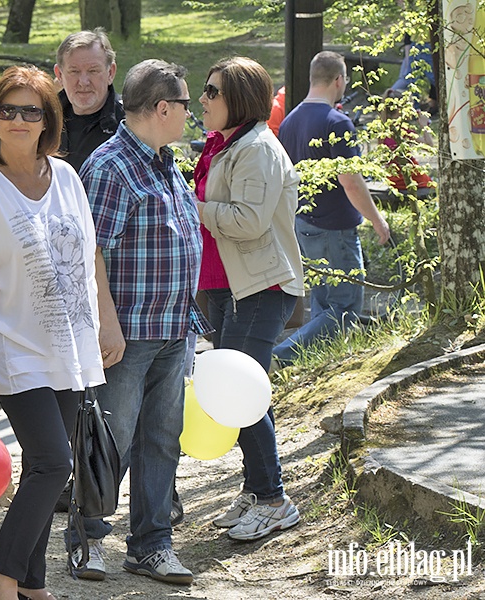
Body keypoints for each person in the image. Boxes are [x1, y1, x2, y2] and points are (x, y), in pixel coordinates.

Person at [0, 65, 104, 600]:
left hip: (68, 344)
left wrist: (100, 327)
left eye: (29, 111)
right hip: (13, 347)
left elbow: (88, 259)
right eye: (7, 110)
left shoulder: (68, 178)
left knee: (48, 468)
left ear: (46, 121)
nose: (17, 120)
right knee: (55, 462)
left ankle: (30, 586)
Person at [74, 59, 208, 585]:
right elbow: (91, 255)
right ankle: (86, 539)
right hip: (127, 335)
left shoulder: (165, 160)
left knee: (161, 440)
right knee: (112, 440)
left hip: (174, 329)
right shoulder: (111, 166)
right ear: (160, 108)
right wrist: (108, 325)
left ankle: (150, 545)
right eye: (184, 105)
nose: (190, 114)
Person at [194, 56, 304, 541]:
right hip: (226, 287)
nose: (202, 99)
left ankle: (275, 499)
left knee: (239, 394)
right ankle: (257, 487)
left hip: (259, 289)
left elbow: (248, 220)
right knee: (237, 391)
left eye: (212, 91)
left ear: (237, 99)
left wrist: (189, 205)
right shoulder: (225, 145)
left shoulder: (256, 147)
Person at [272, 51, 391, 366]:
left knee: (324, 308)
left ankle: (316, 366)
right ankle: (280, 357)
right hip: (335, 228)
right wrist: (378, 221)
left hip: (304, 224)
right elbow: (350, 182)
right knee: (345, 309)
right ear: (339, 80)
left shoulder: (290, 121)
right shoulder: (338, 122)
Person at [54, 28, 125, 173]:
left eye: (93, 71)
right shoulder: (41, 119)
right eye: (74, 71)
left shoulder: (130, 125)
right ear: (59, 75)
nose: (83, 82)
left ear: (110, 73)